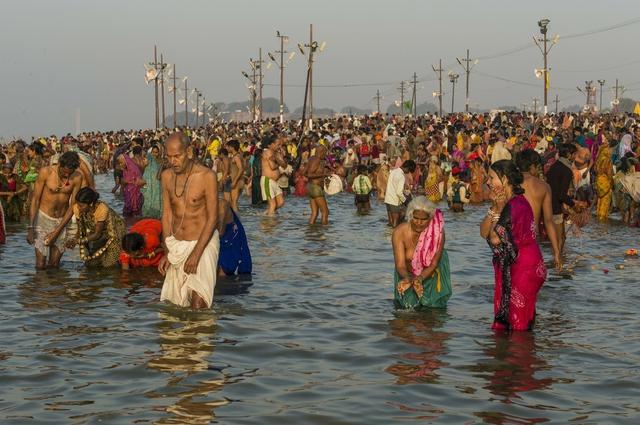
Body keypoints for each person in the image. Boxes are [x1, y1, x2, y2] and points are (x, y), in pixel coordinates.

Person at [480, 160, 546, 331]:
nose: (488, 182)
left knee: (518, 325)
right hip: (523, 264)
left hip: (524, 266)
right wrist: (495, 208)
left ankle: (519, 355)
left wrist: (500, 206)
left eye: (492, 178)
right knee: (518, 319)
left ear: (506, 179)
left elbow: (495, 238)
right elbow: (483, 232)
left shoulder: (515, 204)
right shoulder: (512, 202)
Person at [158, 132, 219, 309]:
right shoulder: (167, 176)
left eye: (177, 156)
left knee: (198, 303)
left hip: (204, 242)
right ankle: (184, 337)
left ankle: (202, 336)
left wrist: (196, 253)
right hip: (177, 244)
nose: (173, 161)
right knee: (175, 304)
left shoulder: (207, 176)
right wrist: (167, 250)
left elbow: (213, 218)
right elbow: (167, 215)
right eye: (169, 157)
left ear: (189, 152)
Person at [391, 196, 452, 309]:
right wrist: (408, 278)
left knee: (431, 311)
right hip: (406, 273)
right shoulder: (399, 232)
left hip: (432, 272)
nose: (419, 222)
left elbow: (434, 263)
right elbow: (400, 265)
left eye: (423, 219)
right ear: (410, 215)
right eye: (415, 218)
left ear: (430, 218)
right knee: (404, 311)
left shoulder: (438, 233)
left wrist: (420, 278)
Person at [29, 151, 83, 269]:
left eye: (70, 173)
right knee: (40, 265)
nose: (66, 176)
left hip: (62, 221)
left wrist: (57, 231)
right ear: (59, 164)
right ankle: (40, 286)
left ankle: (55, 286)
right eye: (64, 172)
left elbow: (73, 206)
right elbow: (35, 200)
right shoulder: (46, 172)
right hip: (43, 218)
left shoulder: (78, 177)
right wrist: (31, 227)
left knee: (54, 265)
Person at [515, 150, 561, 269]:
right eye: (538, 167)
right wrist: (556, 252)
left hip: (511, 237)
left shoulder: (510, 184)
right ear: (532, 167)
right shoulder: (543, 186)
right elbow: (549, 221)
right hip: (531, 239)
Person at [57, 187, 126, 267]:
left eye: (81, 206)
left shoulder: (101, 209)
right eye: (78, 204)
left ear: (91, 204)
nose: (78, 207)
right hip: (100, 234)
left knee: (109, 265)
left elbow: (97, 234)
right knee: (91, 265)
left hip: (114, 233)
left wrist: (77, 241)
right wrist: (74, 240)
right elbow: (80, 230)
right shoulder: (77, 208)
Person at [545, 143, 582, 253]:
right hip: (555, 206)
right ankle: (558, 261)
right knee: (560, 238)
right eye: (574, 154)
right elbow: (561, 194)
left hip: (548, 204)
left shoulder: (554, 166)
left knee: (556, 237)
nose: (575, 157)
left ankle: (555, 260)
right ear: (568, 154)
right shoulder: (566, 170)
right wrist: (574, 205)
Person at [217, 197, 252, 276]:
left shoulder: (221, 205)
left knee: (222, 273)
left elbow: (220, 232)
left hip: (227, 242)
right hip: (223, 240)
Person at [385, 160, 416, 227]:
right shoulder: (401, 176)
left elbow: (393, 186)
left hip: (388, 199)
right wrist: (406, 201)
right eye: (409, 171)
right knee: (395, 224)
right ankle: (395, 236)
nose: (408, 173)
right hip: (394, 201)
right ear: (407, 168)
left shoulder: (393, 171)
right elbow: (399, 193)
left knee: (390, 223)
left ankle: (388, 235)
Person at [304, 144, 330, 225]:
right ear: (321, 152)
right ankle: (324, 231)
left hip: (310, 187)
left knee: (315, 212)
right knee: (325, 212)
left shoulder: (311, 159)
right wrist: (323, 175)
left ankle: (311, 230)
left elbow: (304, 172)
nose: (325, 155)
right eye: (325, 153)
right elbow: (309, 174)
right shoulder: (317, 160)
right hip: (315, 188)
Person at [261, 136, 286, 215]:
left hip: (274, 182)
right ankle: (269, 223)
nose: (279, 147)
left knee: (281, 202)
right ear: (270, 144)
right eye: (277, 145)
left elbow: (284, 165)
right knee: (273, 204)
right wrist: (279, 160)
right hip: (267, 180)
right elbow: (272, 166)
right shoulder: (268, 152)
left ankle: (267, 213)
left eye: (280, 145)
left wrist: (281, 156)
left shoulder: (276, 153)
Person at [141, 145, 163, 218]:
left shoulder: (161, 161)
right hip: (149, 185)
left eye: (156, 152)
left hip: (157, 185)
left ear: (159, 153)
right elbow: (144, 170)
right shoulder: (149, 159)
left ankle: (156, 215)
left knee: (157, 199)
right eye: (153, 152)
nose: (154, 154)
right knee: (148, 199)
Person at [120, 150, 144, 217]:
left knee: (134, 213)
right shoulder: (125, 170)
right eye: (119, 163)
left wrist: (128, 181)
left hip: (135, 194)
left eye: (121, 163)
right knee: (127, 213)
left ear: (126, 161)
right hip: (128, 193)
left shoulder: (134, 169)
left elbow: (139, 180)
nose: (120, 165)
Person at [594, 141, 613, 221]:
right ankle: (603, 220)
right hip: (605, 182)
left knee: (600, 200)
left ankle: (599, 217)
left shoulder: (598, 160)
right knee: (605, 201)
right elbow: (609, 173)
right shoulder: (607, 160)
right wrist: (611, 181)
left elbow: (595, 170)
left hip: (598, 180)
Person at [226, 140, 245, 212]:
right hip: (239, 181)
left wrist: (234, 181)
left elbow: (241, 169)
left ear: (232, 148)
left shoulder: (236, 157)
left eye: (228, 147)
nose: (227, 148)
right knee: (234, 202)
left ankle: (236, 219)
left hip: (237, 182)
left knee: (233, 202)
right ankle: (239, 217)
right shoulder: (239, 155)